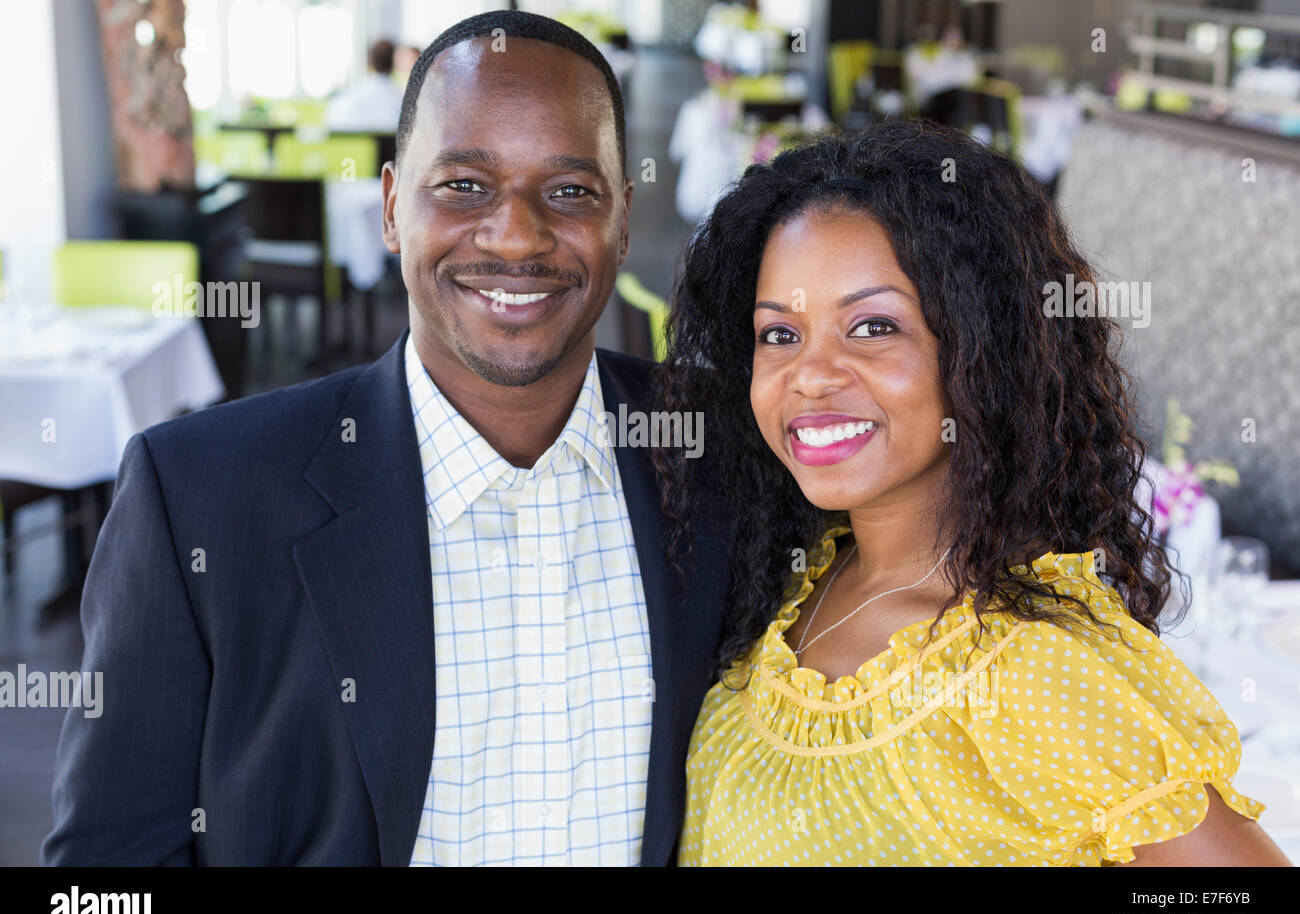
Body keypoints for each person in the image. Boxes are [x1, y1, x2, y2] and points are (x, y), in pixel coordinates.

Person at [42, 11, 731, 867]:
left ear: (624, 220)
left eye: (571, 191)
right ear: (391, 207)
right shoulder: (197, 501)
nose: (516, 234)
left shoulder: (725, 451)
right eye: (464, 185)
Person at [655, 121, 1291, 866]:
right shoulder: (789, 577)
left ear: (983, 354)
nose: (813, 374)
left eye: (872, 326)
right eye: (779, 334)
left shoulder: (1027, 668)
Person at [326, 38, 404, 132]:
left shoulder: (351, 98)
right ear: (394, 62)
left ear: (370, 61)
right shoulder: (401, 99)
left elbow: (333, 119)